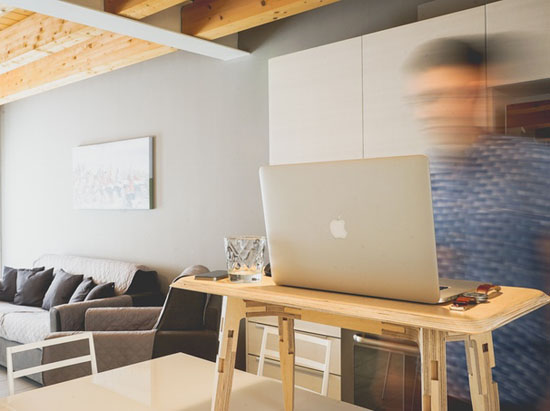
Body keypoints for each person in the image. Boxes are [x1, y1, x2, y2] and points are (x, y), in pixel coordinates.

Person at [406, 38, 550, 410]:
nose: (429, 112)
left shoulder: (531, 166)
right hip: (443, 377)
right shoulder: (426, 182)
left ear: (474, 95)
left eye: (442, 96)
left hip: (517, 381)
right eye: (423, 101)